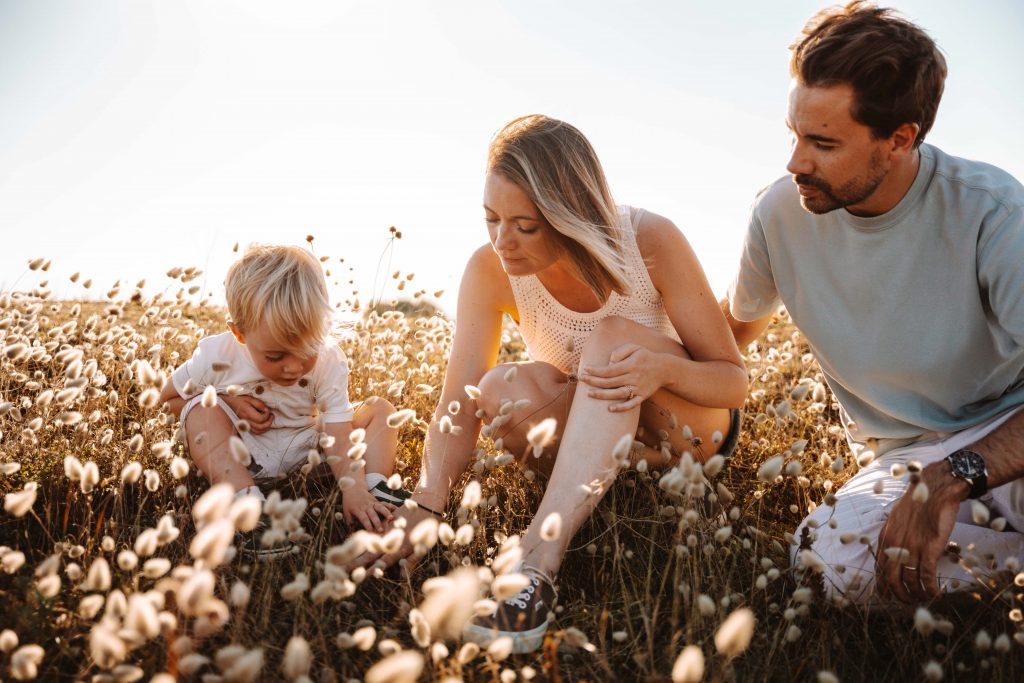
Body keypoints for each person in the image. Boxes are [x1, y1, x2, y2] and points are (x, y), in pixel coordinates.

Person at [361, 114, 746, 653]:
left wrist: (662, 370)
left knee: (612, 338)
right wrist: (427, 501)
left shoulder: (649, 241)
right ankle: (594, 491)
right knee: (496, 391)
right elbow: (459, 398)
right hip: (601, 438)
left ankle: (537, 562)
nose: (502, 242)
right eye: (491, 218)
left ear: (573, 216)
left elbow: (732, 382)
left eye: (525, 226)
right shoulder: (489, 270)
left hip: (687, 434)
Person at [725, 1, 1024, 605]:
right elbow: (729, 331)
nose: (795, 163)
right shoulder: (778, 215)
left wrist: (959, 473)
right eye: (793, 134)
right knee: (824, 561)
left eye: (822, 142)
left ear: (899, 139)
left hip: (1008, 429)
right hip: (903, 459)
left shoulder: (992, 213)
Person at [158, 244, 404, 560]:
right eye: (276, 356)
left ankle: (372, 491)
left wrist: (351, 486)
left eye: (306, 352)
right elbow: (168, 401)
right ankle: (250, 509)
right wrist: (225, 401)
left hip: (309, 456)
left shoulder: (329, 359)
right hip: (241, 454)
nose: (293, 367)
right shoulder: (216, 356)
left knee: (381, 411)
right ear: (239, 333)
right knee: (200, 411)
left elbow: (338, 433)